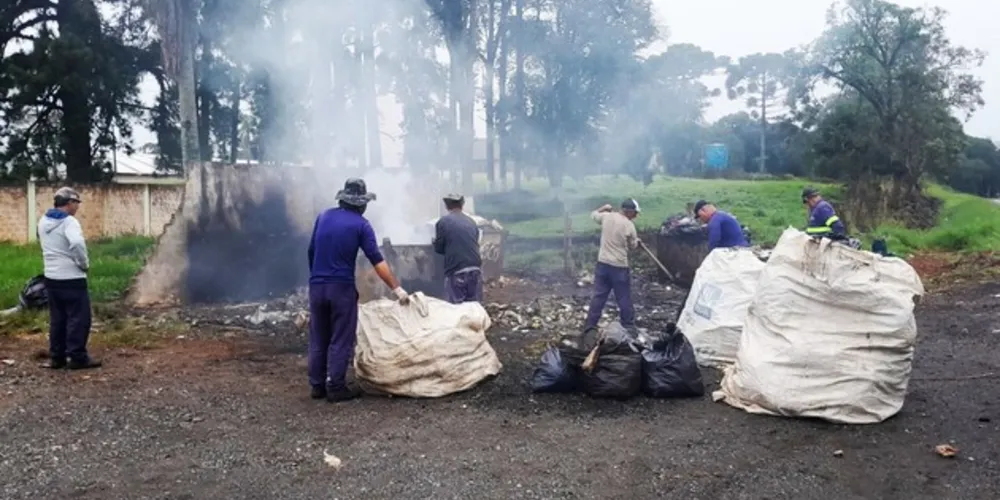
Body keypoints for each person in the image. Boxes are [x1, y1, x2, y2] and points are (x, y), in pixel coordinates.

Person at [307, 178, 410, 403]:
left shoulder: (323, 217)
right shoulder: (361, 225)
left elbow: (311, 251)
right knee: (341, 337)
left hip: (316, 286)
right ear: (361, 204)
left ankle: (317, 386)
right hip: (340, 288)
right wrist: (397, 288)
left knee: (318, 336)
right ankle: (335, 387)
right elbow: (377, 261)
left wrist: (316, 277)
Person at [39, 187, 100, 370]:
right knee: (79, 318)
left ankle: (57, 357)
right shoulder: (69, 222)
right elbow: (77, 244)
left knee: (58, 318)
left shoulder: (43, 221)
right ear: (69, 203)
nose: (77, 207)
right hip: (72, 278)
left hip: (51, 277)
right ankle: (77, 357)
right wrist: (84, 264)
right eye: (76, 203)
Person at [583, 199, 640, 332]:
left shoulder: (606, 217)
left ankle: (590, 326)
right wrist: (636, 241)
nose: (636, 216)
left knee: (599, 296)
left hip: (602, 264)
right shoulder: (629, 225)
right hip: (619, 267)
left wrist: (604, 207)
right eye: (635, 213)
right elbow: (633, 247)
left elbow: (593, 215)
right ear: (629, 212)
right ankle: (628, 326)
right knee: (623, 297)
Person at [432, 193, 483, 304]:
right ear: (462, 205)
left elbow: (439, 249)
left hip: (456, 271)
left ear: (446, 206)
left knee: (456, 310)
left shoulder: (443, 222)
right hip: (476, 270)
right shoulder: (472, 222)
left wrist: (434, 243)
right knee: (474, 308)